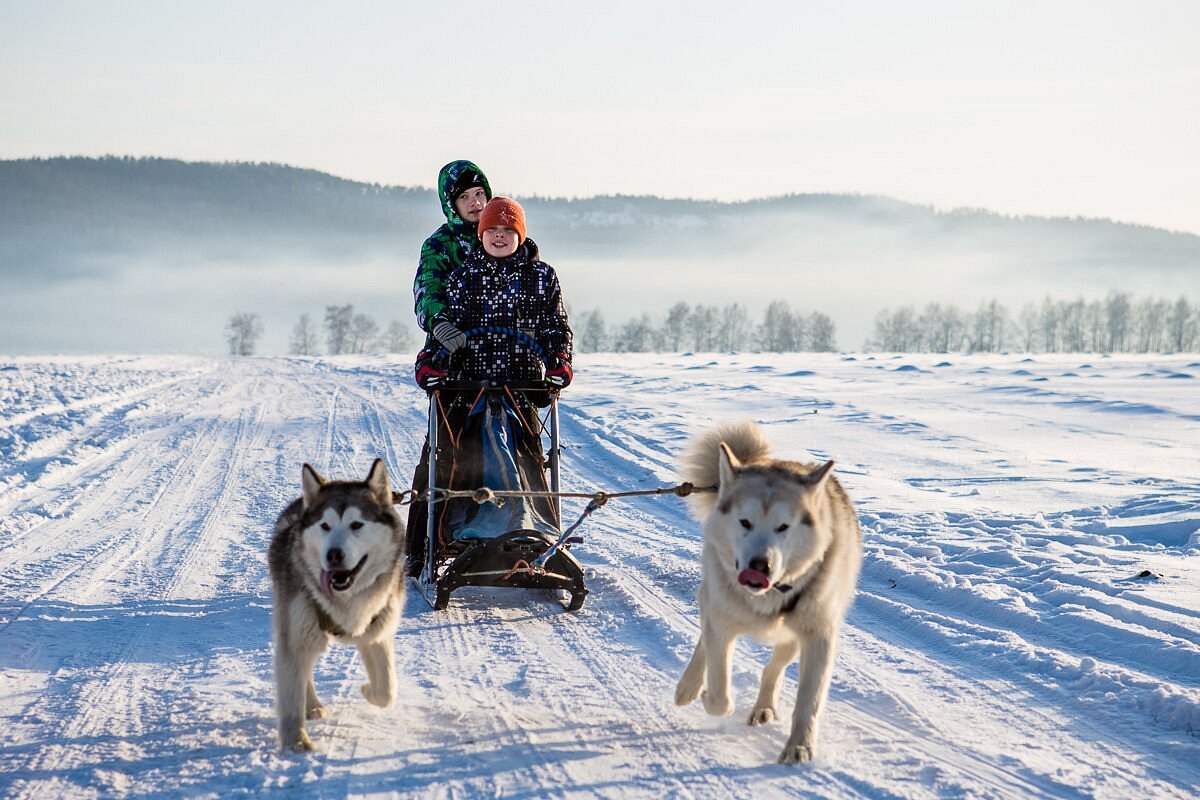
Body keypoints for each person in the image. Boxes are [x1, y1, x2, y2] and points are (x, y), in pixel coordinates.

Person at [407, 196, 573, 575]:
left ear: (521, 235)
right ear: (481, 235)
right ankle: (445, 539)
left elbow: (555, 328)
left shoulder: (541, 277)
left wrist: (559, 360)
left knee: (526, 458)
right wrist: (430, 362)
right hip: (469, 389)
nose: (499, 237)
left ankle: (532, 528)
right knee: (454, 459)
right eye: (492, 231)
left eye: (508, 231)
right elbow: (444, 333)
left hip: (521, 388)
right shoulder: (464, 277)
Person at [413, 160, 492, 356]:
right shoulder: (439, 245)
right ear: (451, 204)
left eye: (479, 193)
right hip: (455, 342)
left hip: (507, 345)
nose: (475, 202)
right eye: (464, 197)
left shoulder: (507, 237)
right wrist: (439, 322)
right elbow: (428, 288)